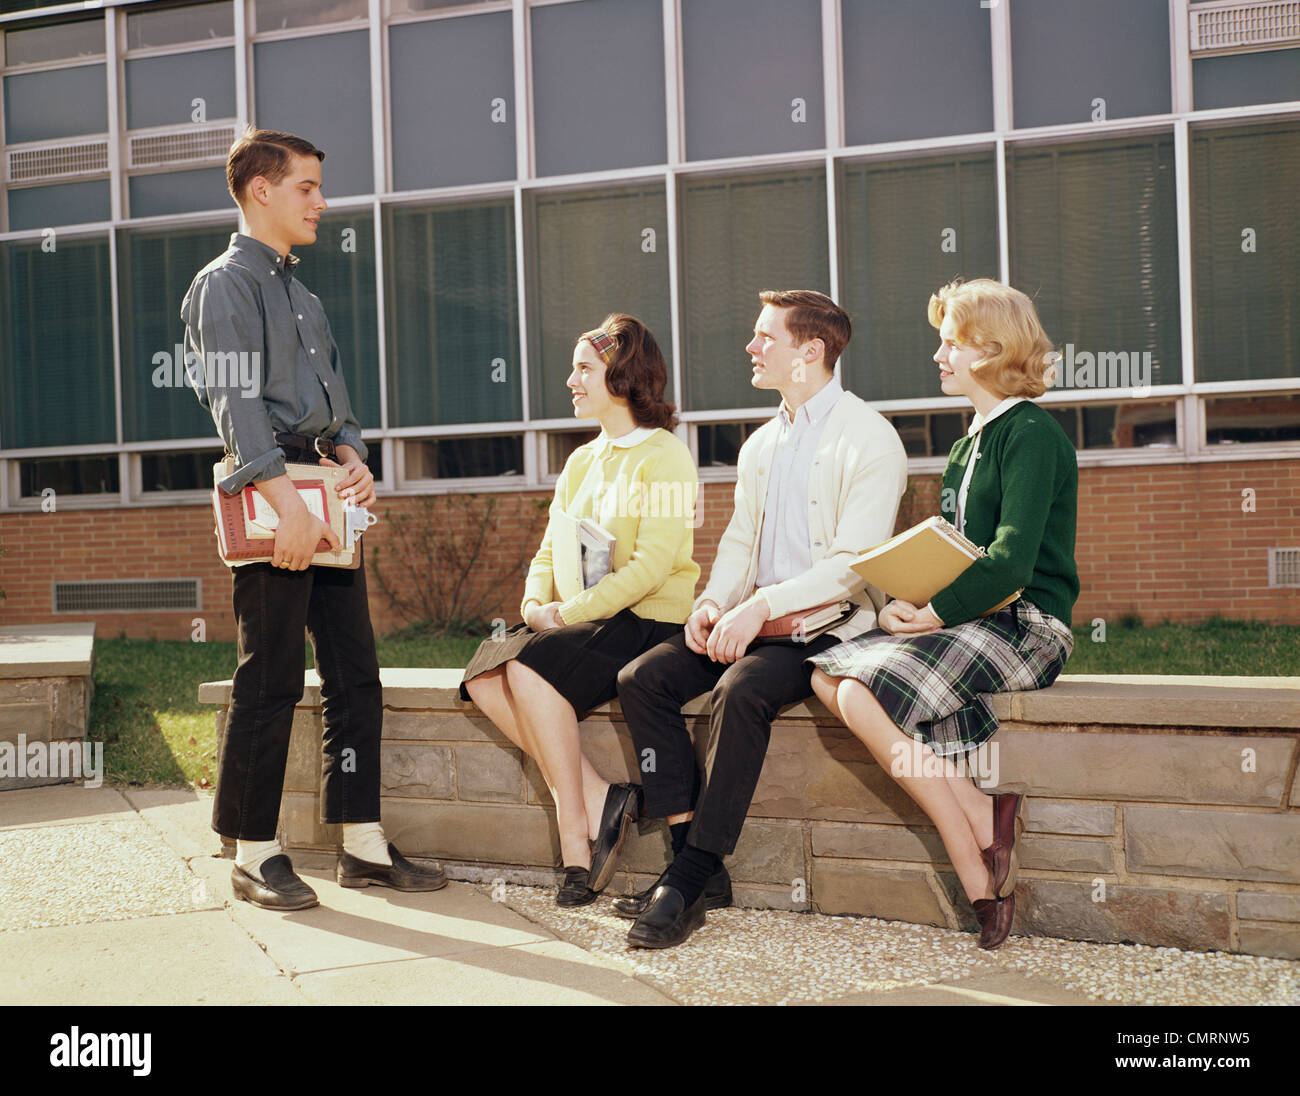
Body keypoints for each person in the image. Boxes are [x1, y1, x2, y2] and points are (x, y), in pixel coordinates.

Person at [182, 127, 447, 911]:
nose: (321, 203)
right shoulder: (223, 285)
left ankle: (361, 842)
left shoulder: (304, 294)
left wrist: (358, 456)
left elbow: (339, 404)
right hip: (277, 498)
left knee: (354, 673)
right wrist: (289, 505)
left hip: (328, 491)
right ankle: (254, 850)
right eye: (306, 188)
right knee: (269, 678)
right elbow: (235, 407)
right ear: (260, 190)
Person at [613, 290, 909, 948]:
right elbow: (741, 546)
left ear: (811, 351)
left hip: (825, 629)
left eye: (763, 338)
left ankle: (686, 878)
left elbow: (852, 566)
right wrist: (714, 603)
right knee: (642, 680)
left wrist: (759, 608)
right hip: (753, 616)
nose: (750, 347)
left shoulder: (870, 439)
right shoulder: (762, 444)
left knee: (740, 690)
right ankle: (698, 865)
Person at [808, 278, 1079, 950]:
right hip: (970, 622)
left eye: (950, 342)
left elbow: (1013, 565)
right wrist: (909, 595)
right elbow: (958, 556)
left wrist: (931, 613)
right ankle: (982, 814)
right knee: (822, 676)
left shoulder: (1032, 434)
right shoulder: (965, 447)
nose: (938, 354)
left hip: (1027, 627)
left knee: (859, 688)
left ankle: (968, 852)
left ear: (991, 349)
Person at [461, 314, 699, 908]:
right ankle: (599, 797)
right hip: (586, 616)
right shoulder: (581, 461)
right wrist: (535, 602)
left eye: (584, 369)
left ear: (623, 376)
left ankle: (576, 840)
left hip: (649, 618)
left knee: (526, 667)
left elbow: (650, 568)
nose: (571, 380)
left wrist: (566, 615)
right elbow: (549, 547)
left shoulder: (665, 455)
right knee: (484, 675)